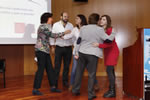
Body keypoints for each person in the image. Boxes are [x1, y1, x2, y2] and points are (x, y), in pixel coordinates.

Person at [72, 13, 116, 100]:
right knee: (91, 75)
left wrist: (76, 52)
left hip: (82, 53)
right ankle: (90, 94)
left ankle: (75, 90)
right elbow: (108, 39)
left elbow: (78, 41)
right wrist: (113, 32)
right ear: (97, 20)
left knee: (79, 72)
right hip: (92, 54)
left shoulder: (83, 28)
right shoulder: (99, 29)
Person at [32, 12, 67, 95]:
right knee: (41, 70)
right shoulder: (43, 27)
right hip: (41, 51)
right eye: (51, 18)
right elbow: (52, 35)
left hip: (45, 50)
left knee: (50, 69)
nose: (52, 19)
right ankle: (35, 89)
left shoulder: (47, 26)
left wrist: (58, 36)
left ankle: (53, 87)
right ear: (47, 19)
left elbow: (51, 36)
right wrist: (64, 33)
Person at [93, 15, 119, 98]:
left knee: (109, 70)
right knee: (111, 71)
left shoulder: (109, 30)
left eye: (104, 19)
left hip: (112, 51)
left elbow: (109, 43)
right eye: (101, 19)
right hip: (108, 52)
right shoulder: (102, 30)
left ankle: (112, 91)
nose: (101, 21)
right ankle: (112, 90)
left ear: (108, 21)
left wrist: (98, 45)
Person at [62, 14, 88, 91]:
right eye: (75, 18)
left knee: (89, 69)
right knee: (74, 70)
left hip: (85, 52)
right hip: (76, 52)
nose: (75, 20)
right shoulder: (74, 29)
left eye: (77, 18)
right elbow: (68, 37)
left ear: (81, 19)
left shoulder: (86, 28)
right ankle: (72, 84)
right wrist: (61, 35)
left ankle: (95, 83)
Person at [50, 12, 74, 88]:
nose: (66, 18)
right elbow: (52, 36)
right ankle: (55, 82)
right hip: (59, 48)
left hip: (68, 48)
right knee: (57, 66)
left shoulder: (71, 25)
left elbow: (72, 36)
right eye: (64, 16)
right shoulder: (56, 25)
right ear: (61, 17)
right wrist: (52, 47)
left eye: (67, 17)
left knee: (67, 66)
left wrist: (64, 36)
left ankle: (65, 81)